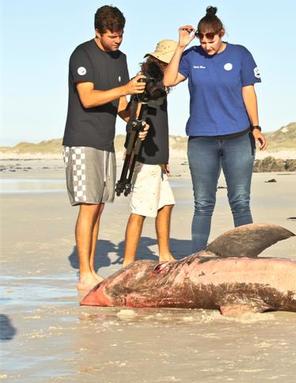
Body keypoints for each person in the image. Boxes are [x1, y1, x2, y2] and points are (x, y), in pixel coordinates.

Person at [163, 6, 267, 252]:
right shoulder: (191, 57)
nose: (207, 45)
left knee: (240, 201)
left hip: (238, 138)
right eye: (202, 39)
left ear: (222, 33)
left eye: (212, 39)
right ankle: (198, 256)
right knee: (203, 203)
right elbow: (167, 81)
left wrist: (256, 127)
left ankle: (247, 257)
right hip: (201, 140)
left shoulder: (241, 54)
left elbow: (248, 91)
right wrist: (180, 47)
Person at [63, 5, 147, 292]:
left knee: (98, 206)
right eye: (112, 36)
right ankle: (85, 273)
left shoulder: (120, 59)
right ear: (97, 32)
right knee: (88, 206)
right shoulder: (82, 54)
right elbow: (88, 98)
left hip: (104, 140)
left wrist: (134, 122)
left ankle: (91, 269)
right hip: (80, 139)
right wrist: (125, 90)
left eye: (120, 35)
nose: (117, 41)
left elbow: (121, 104)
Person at [122, 40, 179, 267]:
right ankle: (127, 263)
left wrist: (163, 159)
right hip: (144, 157)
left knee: (166, 204)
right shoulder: (150, 83)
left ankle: (164, 254)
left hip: (156, 158)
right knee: (140, 209)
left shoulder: (154, 83)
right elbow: (132, 113)